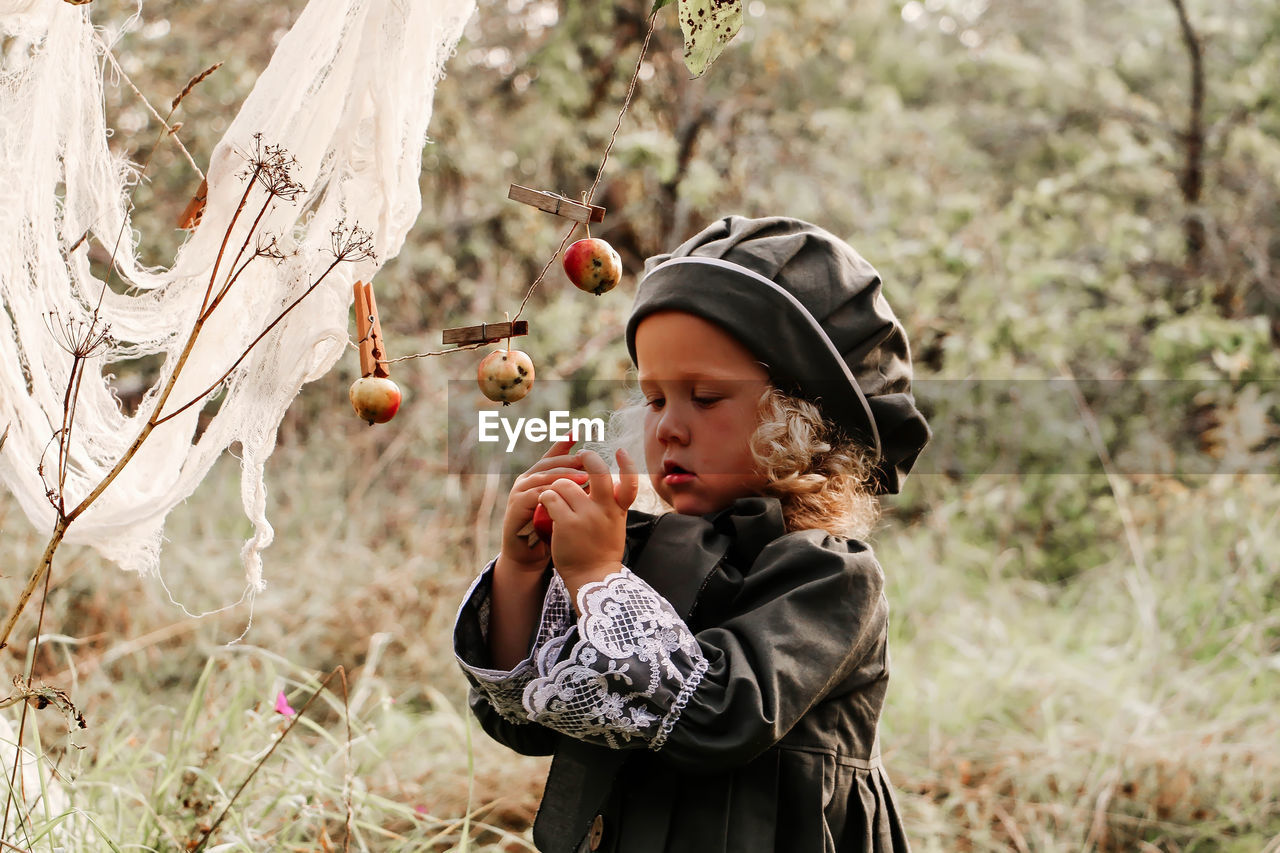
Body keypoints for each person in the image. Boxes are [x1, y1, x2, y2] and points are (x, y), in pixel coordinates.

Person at [453, 215, 932, 853]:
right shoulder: (639, 552)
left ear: (800, 421)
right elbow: (529, 722)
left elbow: (719, 715)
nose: (668, 428)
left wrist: (598, 579)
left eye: (704, 397)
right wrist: (524, 572)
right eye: (653, 400)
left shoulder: (829, 575)